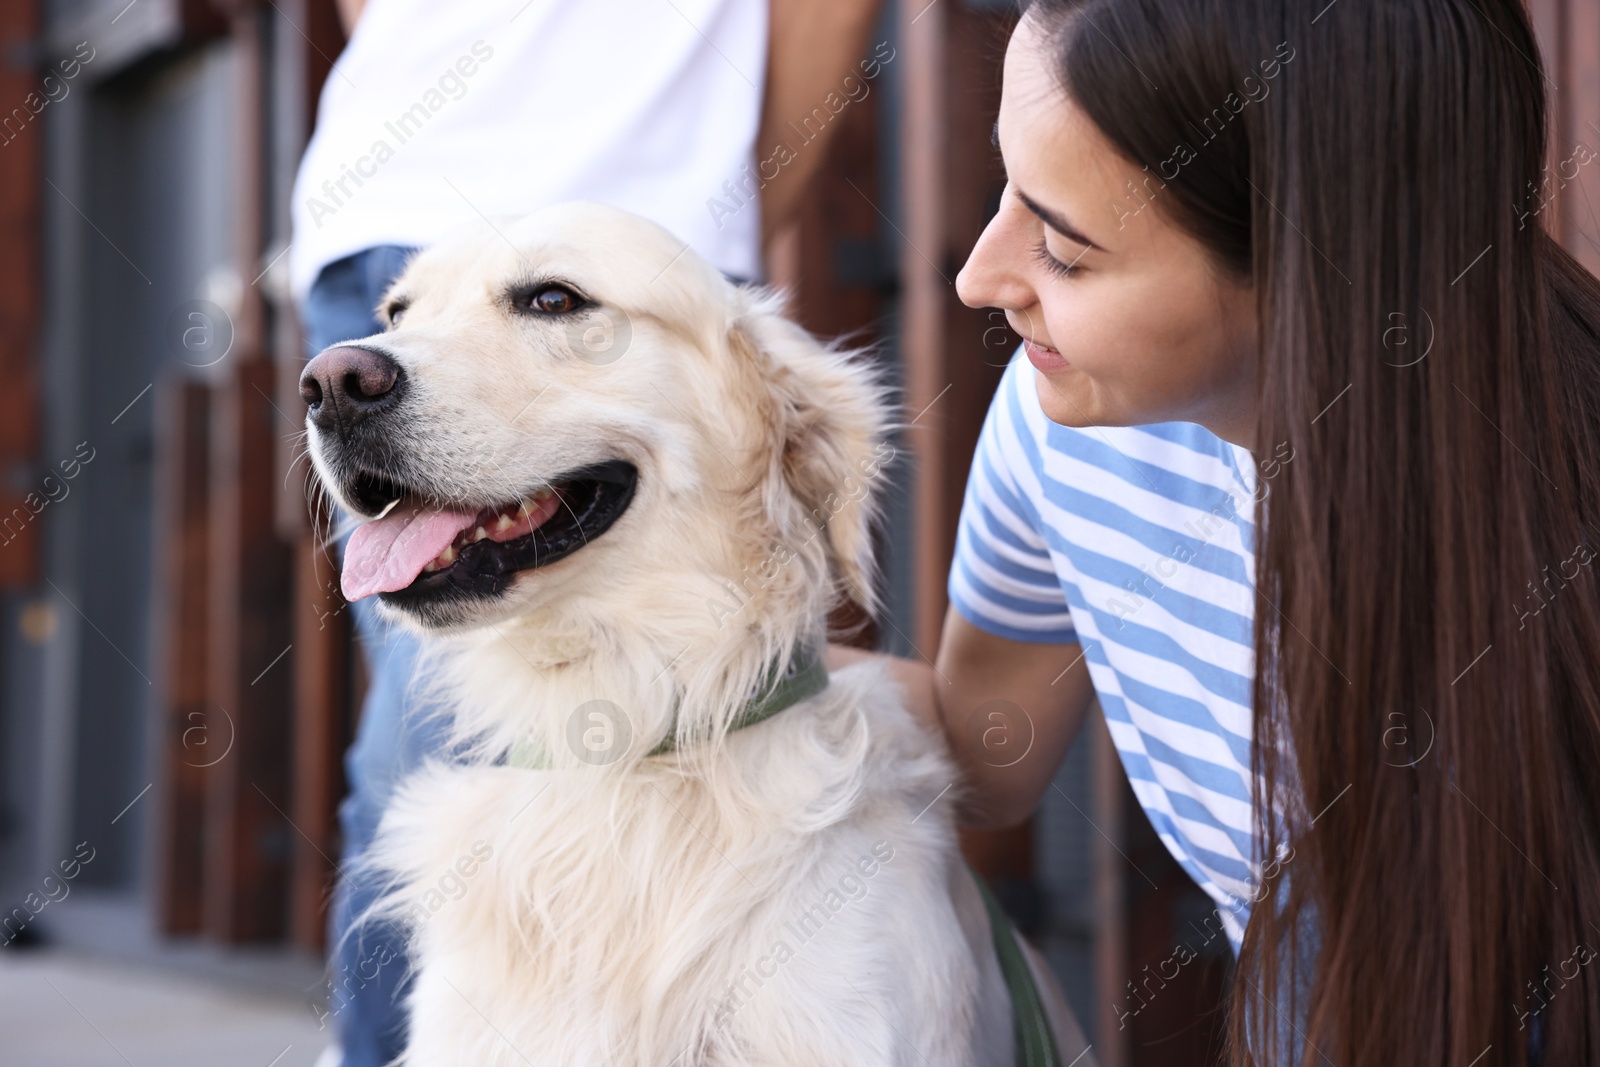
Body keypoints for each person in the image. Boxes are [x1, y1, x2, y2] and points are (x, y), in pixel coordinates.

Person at [828, 0, 1600, 1063]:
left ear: (1312, 272)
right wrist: (711, 688)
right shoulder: (1065, 424)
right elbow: (982, 743)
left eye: (1062, 248)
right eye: (1008, 187)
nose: (980, 278)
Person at [291, 2, 883, 1064]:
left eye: (549, 302)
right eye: (393, 333)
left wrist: (726, 208)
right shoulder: (384, 328)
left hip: (659, 196)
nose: (353, 375)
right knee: (425, 749)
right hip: (388, 199)